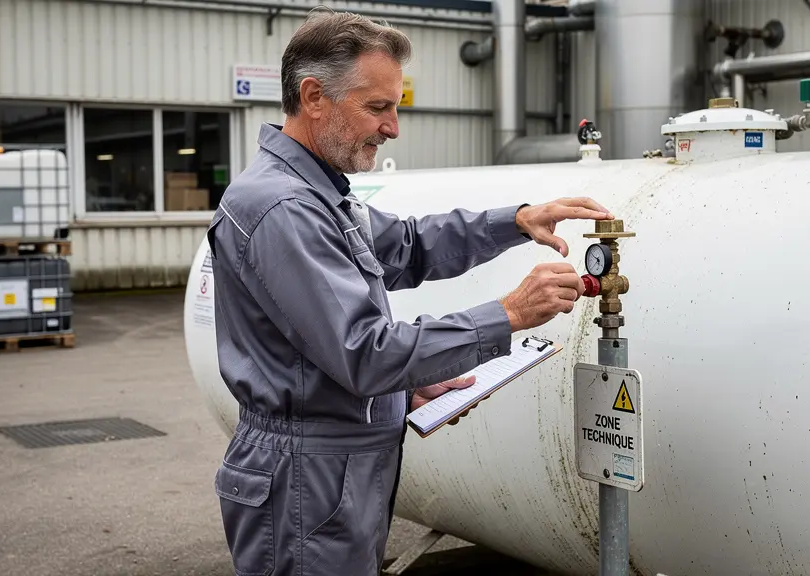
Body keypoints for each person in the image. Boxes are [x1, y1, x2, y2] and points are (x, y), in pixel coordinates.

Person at [206, 8, 614, 576]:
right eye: (377, 107)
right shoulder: (285, 208)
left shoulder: (320, 191)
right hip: (306, 481)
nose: (393, 127)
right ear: (314, 96)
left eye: (396, 106)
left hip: (331, 472)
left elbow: (408, 247)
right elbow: (365, 354)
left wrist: (516, 220)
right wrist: (509, 313)